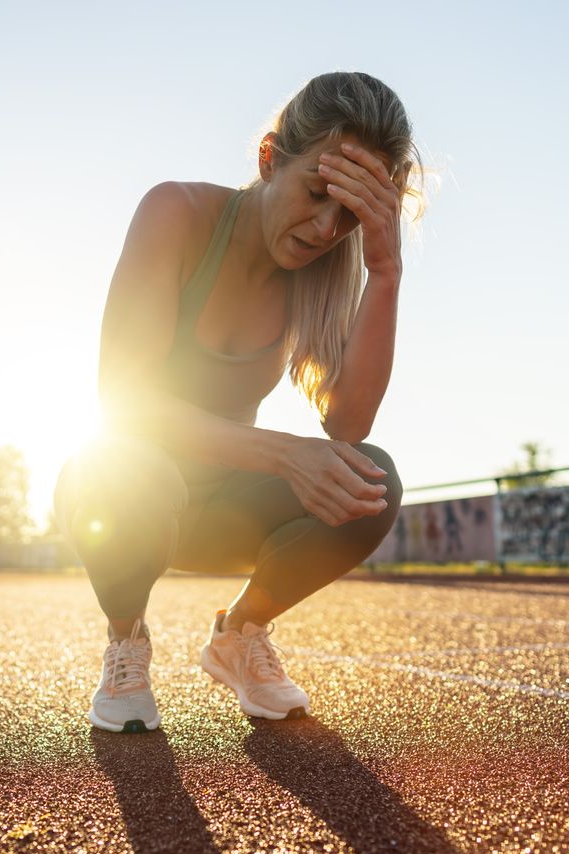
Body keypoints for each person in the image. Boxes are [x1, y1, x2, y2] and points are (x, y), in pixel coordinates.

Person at [54, 71, 423, 732]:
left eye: (352, 214)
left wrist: (386, 271)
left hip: (218, 511)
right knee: (126, 466)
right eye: (317, 192)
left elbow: (349, 424)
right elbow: (123, 402)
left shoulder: (324, 271)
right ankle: (127, 639)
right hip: (120, 496)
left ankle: (240, 633)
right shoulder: (178, 213)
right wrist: (282, 455)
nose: (325, 227)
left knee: (371, 480)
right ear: (268, 158)